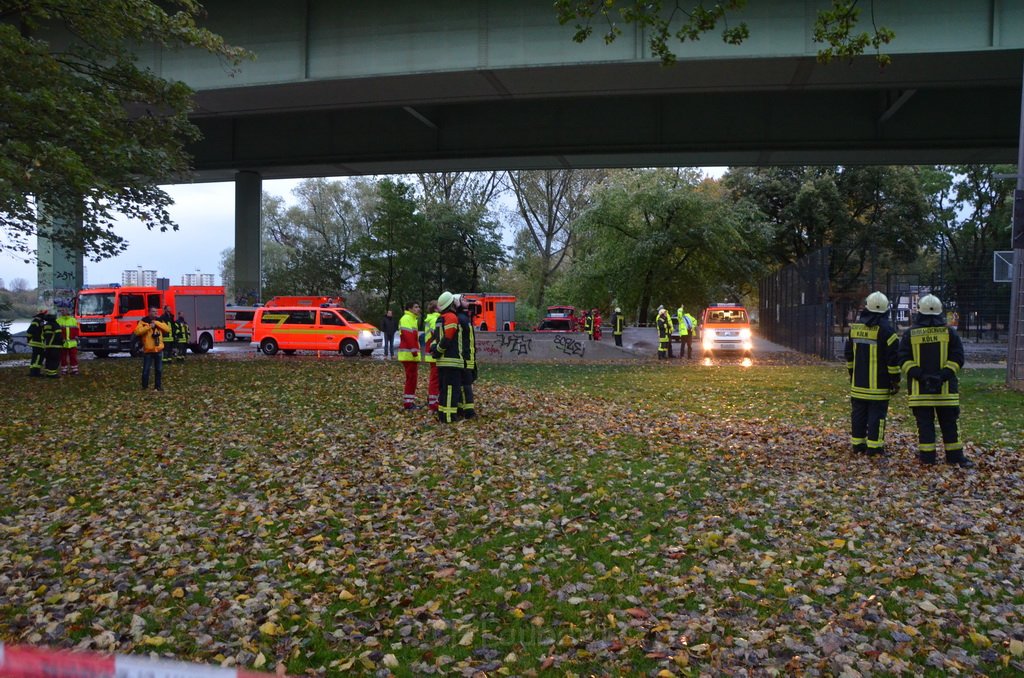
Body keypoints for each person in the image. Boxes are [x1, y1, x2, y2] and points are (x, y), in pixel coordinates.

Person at [898, 294, 972, 468]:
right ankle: (955, 457)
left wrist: (921, 376)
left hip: (919, 391)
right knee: (950, 424)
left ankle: (927, 458)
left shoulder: (910, 334)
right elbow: (957, 359)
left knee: (924, 426)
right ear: (940, 313)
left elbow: (903, 360)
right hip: (946, 391)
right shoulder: (950, 333)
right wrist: (942, 376)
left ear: (919, 312)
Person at [844, 292, 900, 456]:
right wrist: (895, 381)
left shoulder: (855, 329)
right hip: (879, 387)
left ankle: (857, 445)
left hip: (858, 384)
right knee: (877, 417)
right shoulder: (888, 332)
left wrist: (852, 374)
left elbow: (849, 356)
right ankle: (875, 448)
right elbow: (893, 362)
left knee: (858, 415)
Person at [432, 291, 464, 424]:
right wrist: (438, 351)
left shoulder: (440, 318)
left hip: (442, 362)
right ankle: (449, 418)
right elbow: (447, 338)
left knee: (444, 390)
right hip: (451, 361)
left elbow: (436, 338)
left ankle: (442, 415)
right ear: (450, 303)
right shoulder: (451, 317)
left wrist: (436, 350)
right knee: (451, 389)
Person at [134, 308, 171, 391]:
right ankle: (144, 386)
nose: (156, 313)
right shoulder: (144, 321)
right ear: (149, 312)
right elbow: (137, 332)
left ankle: (158, 386)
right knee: (146, 369)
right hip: (148, 350)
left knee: (159, 369)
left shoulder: (159, 320)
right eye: (154, 312)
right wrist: (149, 326)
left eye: (156, 312)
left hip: (158, 349)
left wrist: (156, 323)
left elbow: (167, 329)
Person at [455, 295, 477, 419]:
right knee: (466, 383)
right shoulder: (461, 318)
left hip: (468, 355)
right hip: (465, 356)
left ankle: (463, 408)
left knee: (465, 383)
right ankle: (468, 411)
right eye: (463, 300)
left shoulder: (465, 318)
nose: (467, 301)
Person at [397, 301, 421, 410]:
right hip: (409, 354)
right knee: (411, 379)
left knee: (412, 379)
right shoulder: (406, 319)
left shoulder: (411, 319)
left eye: (418, 307)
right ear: (410, 309)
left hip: (409, 354)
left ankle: (409, 402)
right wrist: (414, 351)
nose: (418, 309)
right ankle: (408, 403)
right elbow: (408, 336)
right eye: (416, 307)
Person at [421, 300, 441, 412]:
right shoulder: (435, 319)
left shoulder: (430, 319)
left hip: (430, 352)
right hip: (434, 353)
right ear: (435, 309)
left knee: (434, 378)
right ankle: (433, 403)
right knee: (435, 379)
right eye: (439, 305)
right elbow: (438, 334)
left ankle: (432, 399)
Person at [57, 306, 80, 375]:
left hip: (72, 343)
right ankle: (64, 370)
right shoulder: (58, 320)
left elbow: (77, 331)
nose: (63, 311)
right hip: (63, 343)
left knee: (73, 357)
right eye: (62, 310)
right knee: (63, 357)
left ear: (68, 311)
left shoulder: (73, 320)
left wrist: (77, 339)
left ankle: (75, 370)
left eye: (64, 310)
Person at [27, 308, 48, 377]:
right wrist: (29, 339)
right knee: (38, 357)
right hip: (37, 343)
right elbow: (29, 331)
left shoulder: (39, 322)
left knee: (36, 358)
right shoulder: (36, 321)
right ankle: (35, 373)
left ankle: (34, 372)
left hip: (39, 343)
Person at [41, 312, 62, 378]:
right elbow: (58, 335)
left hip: (47, 345)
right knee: (55, 359)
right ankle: (52, 374)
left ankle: (48, 373)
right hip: (55, 346)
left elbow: (43, 335)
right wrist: (62, 342)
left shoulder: (46, 325)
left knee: (48, 359)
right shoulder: (55, 325)